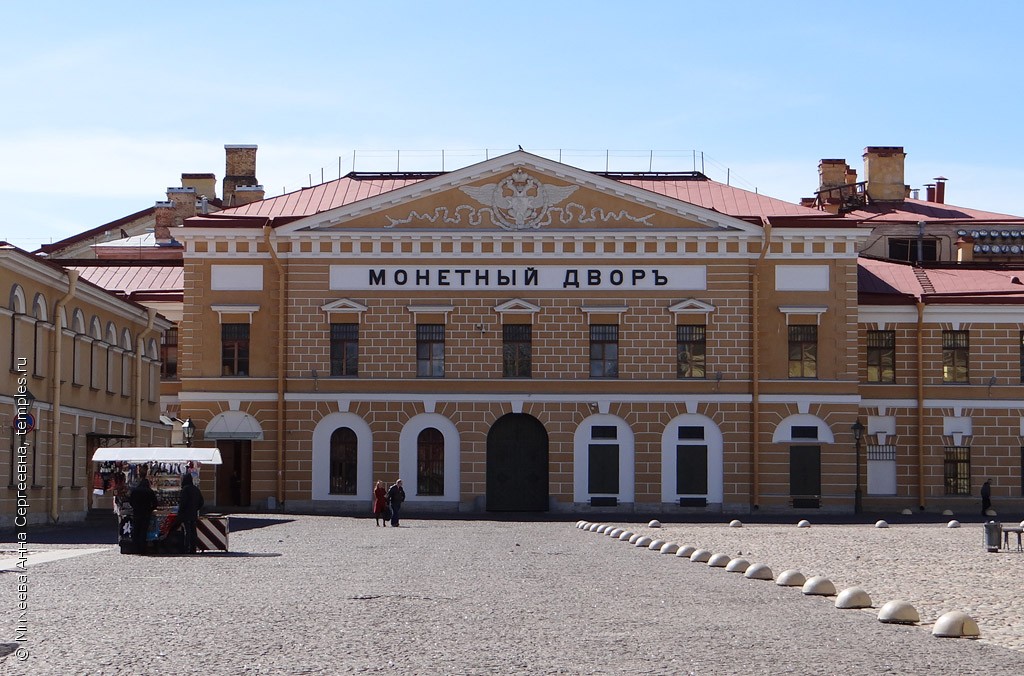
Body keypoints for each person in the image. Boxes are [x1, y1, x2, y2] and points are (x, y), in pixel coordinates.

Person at [128, 471, 158, 555]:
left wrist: (135, 507)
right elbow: (155, 503)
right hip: (146, 513)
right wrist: (150, 509)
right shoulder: (150, 491)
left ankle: (135, 548)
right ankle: (142, 548)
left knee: (136, 530)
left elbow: (130, 501)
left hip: (137, 512)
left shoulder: (135, 490)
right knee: (143, 531)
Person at [178, 472, 205, 554]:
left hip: (186, 514)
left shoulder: (185, 489)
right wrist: (196, 508)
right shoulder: (196, 489)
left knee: (187, 532)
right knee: (193, 532)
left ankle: (186, 548)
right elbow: (201, 501)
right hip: (193, 514)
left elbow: (183, 502)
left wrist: (180, 512)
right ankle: (193, 548)